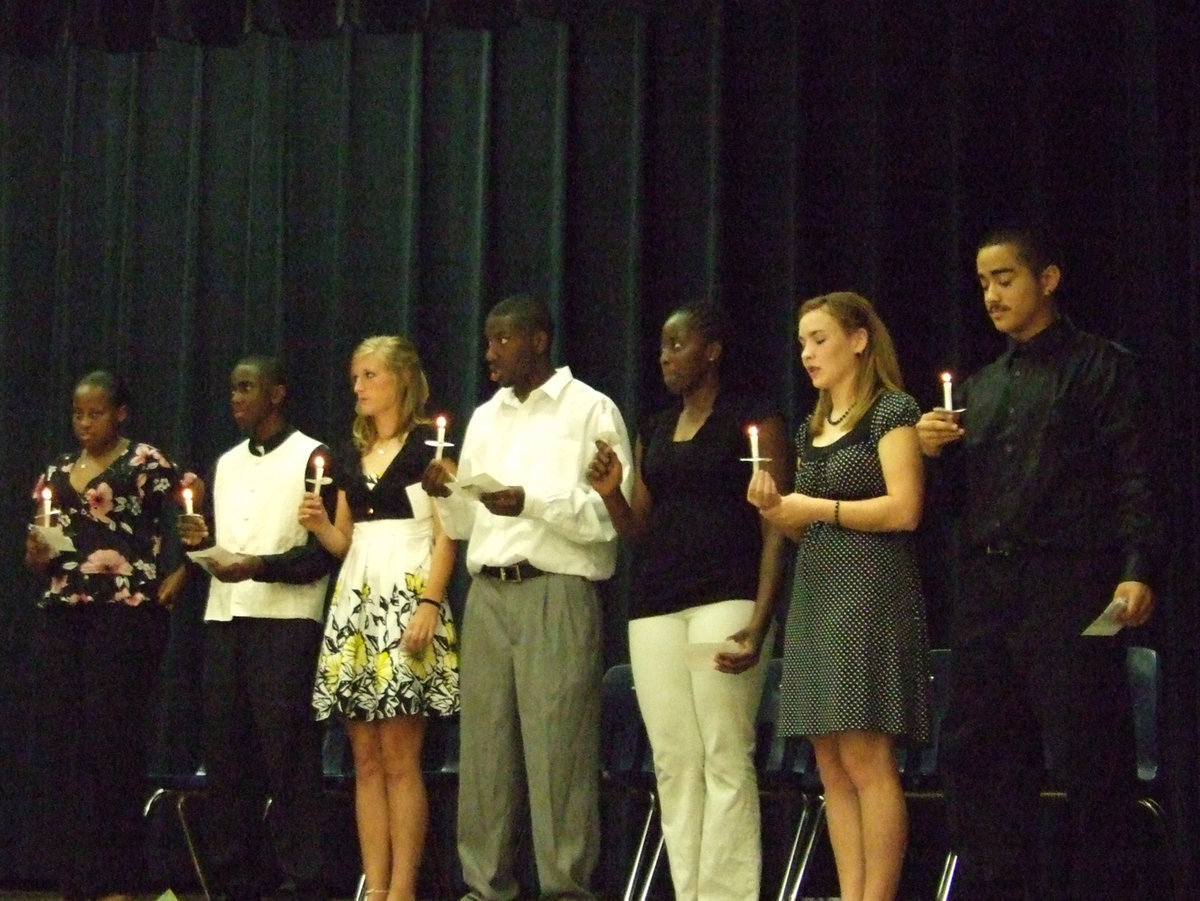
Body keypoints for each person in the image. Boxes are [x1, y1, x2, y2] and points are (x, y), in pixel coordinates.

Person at [915, 226, 1162, 901]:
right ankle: (1001, 883)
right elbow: (958, 506)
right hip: (992, 587)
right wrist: (937, 455)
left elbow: (1134, 474)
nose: (991, 295)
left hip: (1072, 581)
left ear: (1047, 279)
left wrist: (1137, 564)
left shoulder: (1102, 366)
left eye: (1005, 278)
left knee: (1089, 750)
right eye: (983, 282)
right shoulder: (983, 385)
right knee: (977, 744)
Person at [421, 294, 632, 901]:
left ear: (539, 340)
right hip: (488, 593)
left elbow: (608, 517)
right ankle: (485, 888)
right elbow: (465, 525)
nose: (489, 354)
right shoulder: (487, 417)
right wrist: (445, 491)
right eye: (488, 341)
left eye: (502, 340)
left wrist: (532, 503)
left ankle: (566, 889)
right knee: (484, 753)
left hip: (556, 593)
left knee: (558, 753)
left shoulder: (590, 409)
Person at [585, 301, 788, 901]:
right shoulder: (653, 425)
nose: (665, 357)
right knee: (674, 759)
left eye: (678, 345)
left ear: (713, 350)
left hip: (727, 600)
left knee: (725, 751)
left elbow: (775, 526)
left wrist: (760, 619)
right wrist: (610, 494)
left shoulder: (755, 419)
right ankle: (690, 890)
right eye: (663, 347)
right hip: (654, 608)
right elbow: (640, 531)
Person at [747, 293, 931, 901]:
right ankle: (851, 892)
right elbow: (804, 525)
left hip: (869, 595)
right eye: (802, 343)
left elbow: (905, 509)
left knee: (866, 759)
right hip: (817, 594)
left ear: (858, 341)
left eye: (819, 339)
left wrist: (815, 508)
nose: (807, 353)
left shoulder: (891, 411)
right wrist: (778, 510)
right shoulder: (810, 425)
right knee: (830, 763)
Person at [302, 335, 459, 901]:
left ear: (399, 379)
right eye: (355, 378)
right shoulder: (348, 453)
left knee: (399, 756)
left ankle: (402, 889)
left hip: (408, 598)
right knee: (364, 758)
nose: (359, 387)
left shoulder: (429, 449)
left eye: (369, 375)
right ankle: (374, 886)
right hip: (357, 602)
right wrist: (320, 525)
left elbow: (447, 537)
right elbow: (346, 544)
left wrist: (428, 605)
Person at [24, 370, 186, 901]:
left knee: (111, 741)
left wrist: (178, 570)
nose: (84, 423)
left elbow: (188, 516)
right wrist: (36, 554)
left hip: (125, 612)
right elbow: (39, 555)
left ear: (120, 414)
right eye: (77, 413)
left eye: (95, 413)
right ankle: (78, 878)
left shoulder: (145, 463)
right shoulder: (57, 470)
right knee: (70, 741)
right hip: (66, 612)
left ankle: (121, 879)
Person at [178, 355, 335, 901]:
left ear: (277, 394)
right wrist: (198, 541)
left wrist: (260, 565)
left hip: (286, 624)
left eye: (247, 387)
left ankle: (304, 880)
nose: (236, 397)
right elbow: (222, 546)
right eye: (231, 387)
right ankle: (236, 880)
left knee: (289, 757)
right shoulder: (225, 462)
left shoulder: (311, 455)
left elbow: (322, 555)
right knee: (227, 757)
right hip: (225, 619)